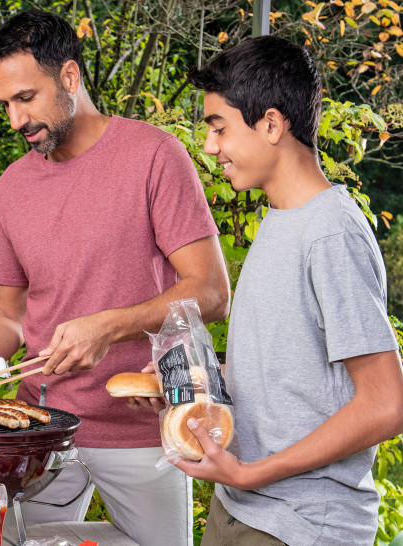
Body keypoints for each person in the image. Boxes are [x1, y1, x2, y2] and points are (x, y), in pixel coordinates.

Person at [0, 9, 230, 546]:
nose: (16, 120)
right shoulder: (11, 189)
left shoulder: (155, 155)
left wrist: (107, 327)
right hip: (39, 429)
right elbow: (9, 313)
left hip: (141, 429)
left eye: (26, 98)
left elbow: (210, 291)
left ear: (69, 76)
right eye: (5, 105)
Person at [161, 35, 403, 545]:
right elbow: (291, 374)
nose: (209, 147)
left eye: (219, 128)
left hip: (302, 524)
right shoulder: (281, 218)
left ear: (271, 124)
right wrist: (190, 383)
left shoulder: (331, 233)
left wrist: (254, 473)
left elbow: (386, 404)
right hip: (242, 509)